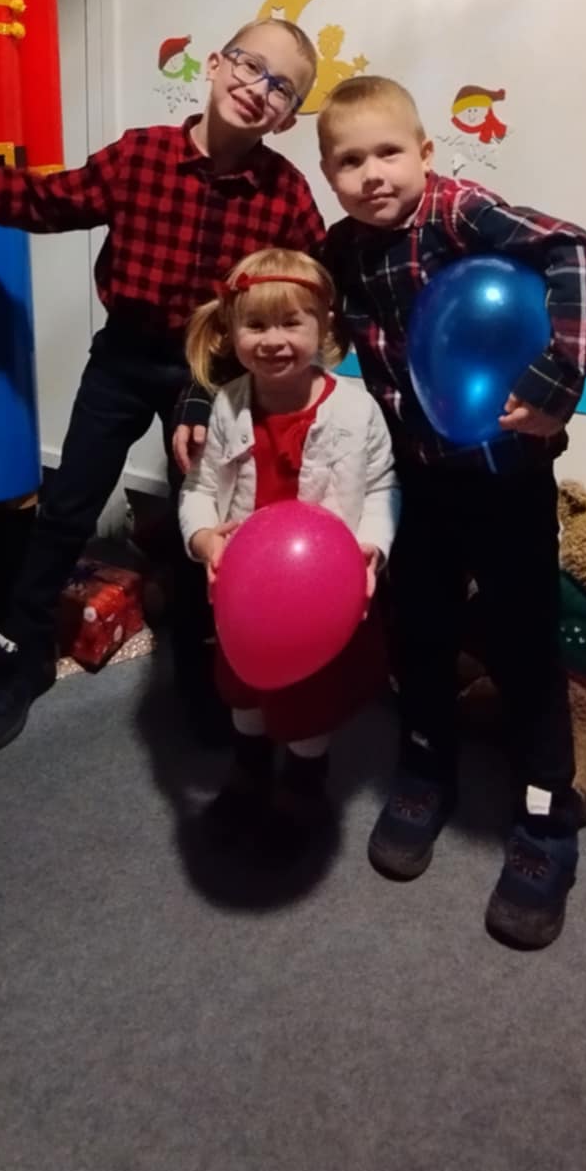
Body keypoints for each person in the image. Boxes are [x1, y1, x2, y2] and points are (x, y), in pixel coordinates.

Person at [0, 19, 325, 751]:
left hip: (211, 374)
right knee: (67, 508)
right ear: (214, 63)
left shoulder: (286, 196)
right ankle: (21, 656)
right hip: (122, 360)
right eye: (249, 65)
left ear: (288, 118)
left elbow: (314, 288)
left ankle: (202, 668)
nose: (257, 88)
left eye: (281, 88)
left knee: (204, 522)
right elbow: (44, 203)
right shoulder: (141, 154)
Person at [316, 74, 586, 950]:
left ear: (423, 152)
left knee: (524, 642)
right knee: (418, 629)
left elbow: (578, 254)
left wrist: (558, 374)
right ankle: (424, 765)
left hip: (506, 476)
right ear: (329, 176)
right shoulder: (342, 247)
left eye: (387, 152)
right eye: (348, 161)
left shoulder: (460, 213)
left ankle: (545, 818)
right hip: (419, 478)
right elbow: (279, 308)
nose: (372, 173)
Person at [179, 248, 398, 859]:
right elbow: (198, 489)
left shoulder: (356, 409)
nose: (273, 340)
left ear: (323, 326)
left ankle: (305, 779)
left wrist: (372, 548)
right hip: (244, 589)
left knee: (310, 694)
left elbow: (383, 487)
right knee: (243, 684)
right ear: (230, 331)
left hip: (320, 591)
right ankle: (249, 765)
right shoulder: (227, 405)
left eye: (290, 323)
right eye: (255, 325)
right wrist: (203, 538)